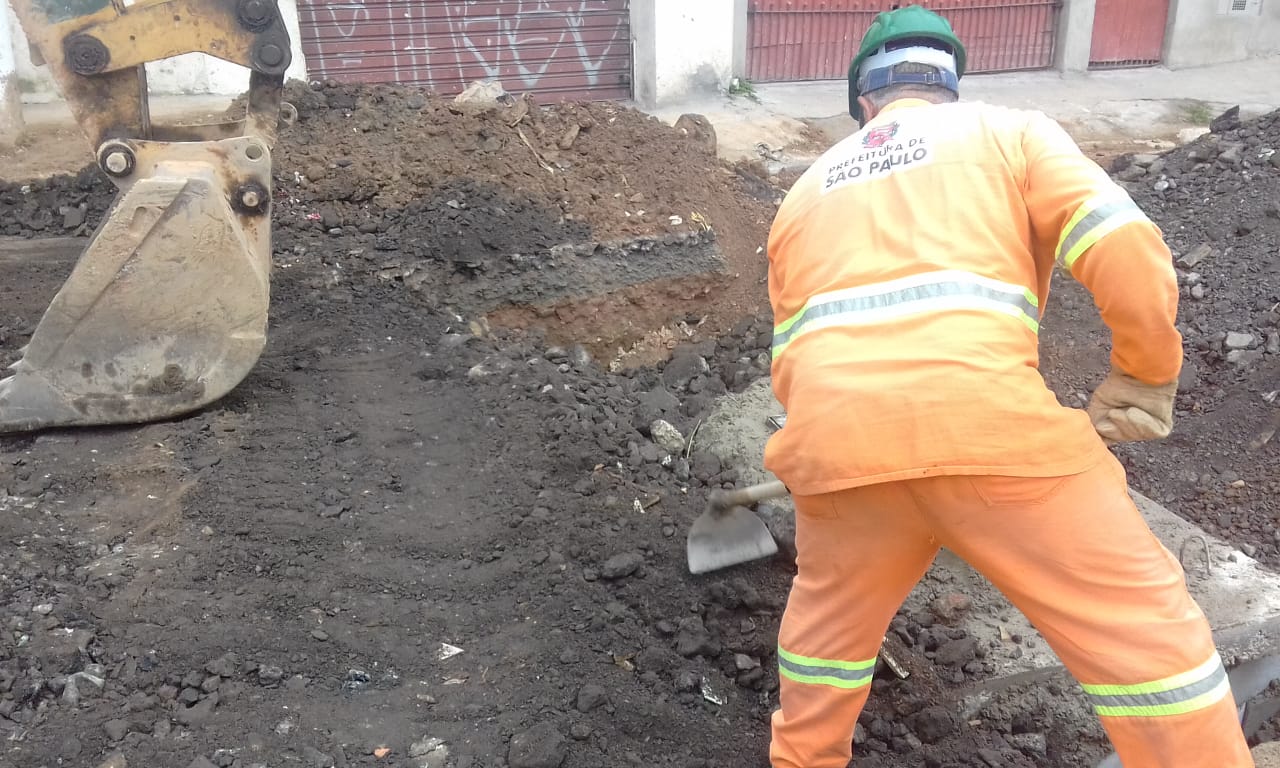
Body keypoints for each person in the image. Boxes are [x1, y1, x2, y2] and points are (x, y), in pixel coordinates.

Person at [761, 5, 1253, 767]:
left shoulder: (801, 194)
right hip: (996, 441)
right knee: (1153, 650)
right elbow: (1123, 245)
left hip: (835, 457)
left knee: (822, 653)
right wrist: (1145, 374)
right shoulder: (1009, 132)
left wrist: (859, 465)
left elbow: (791, 357)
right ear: (948, 84)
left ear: (862, 98)